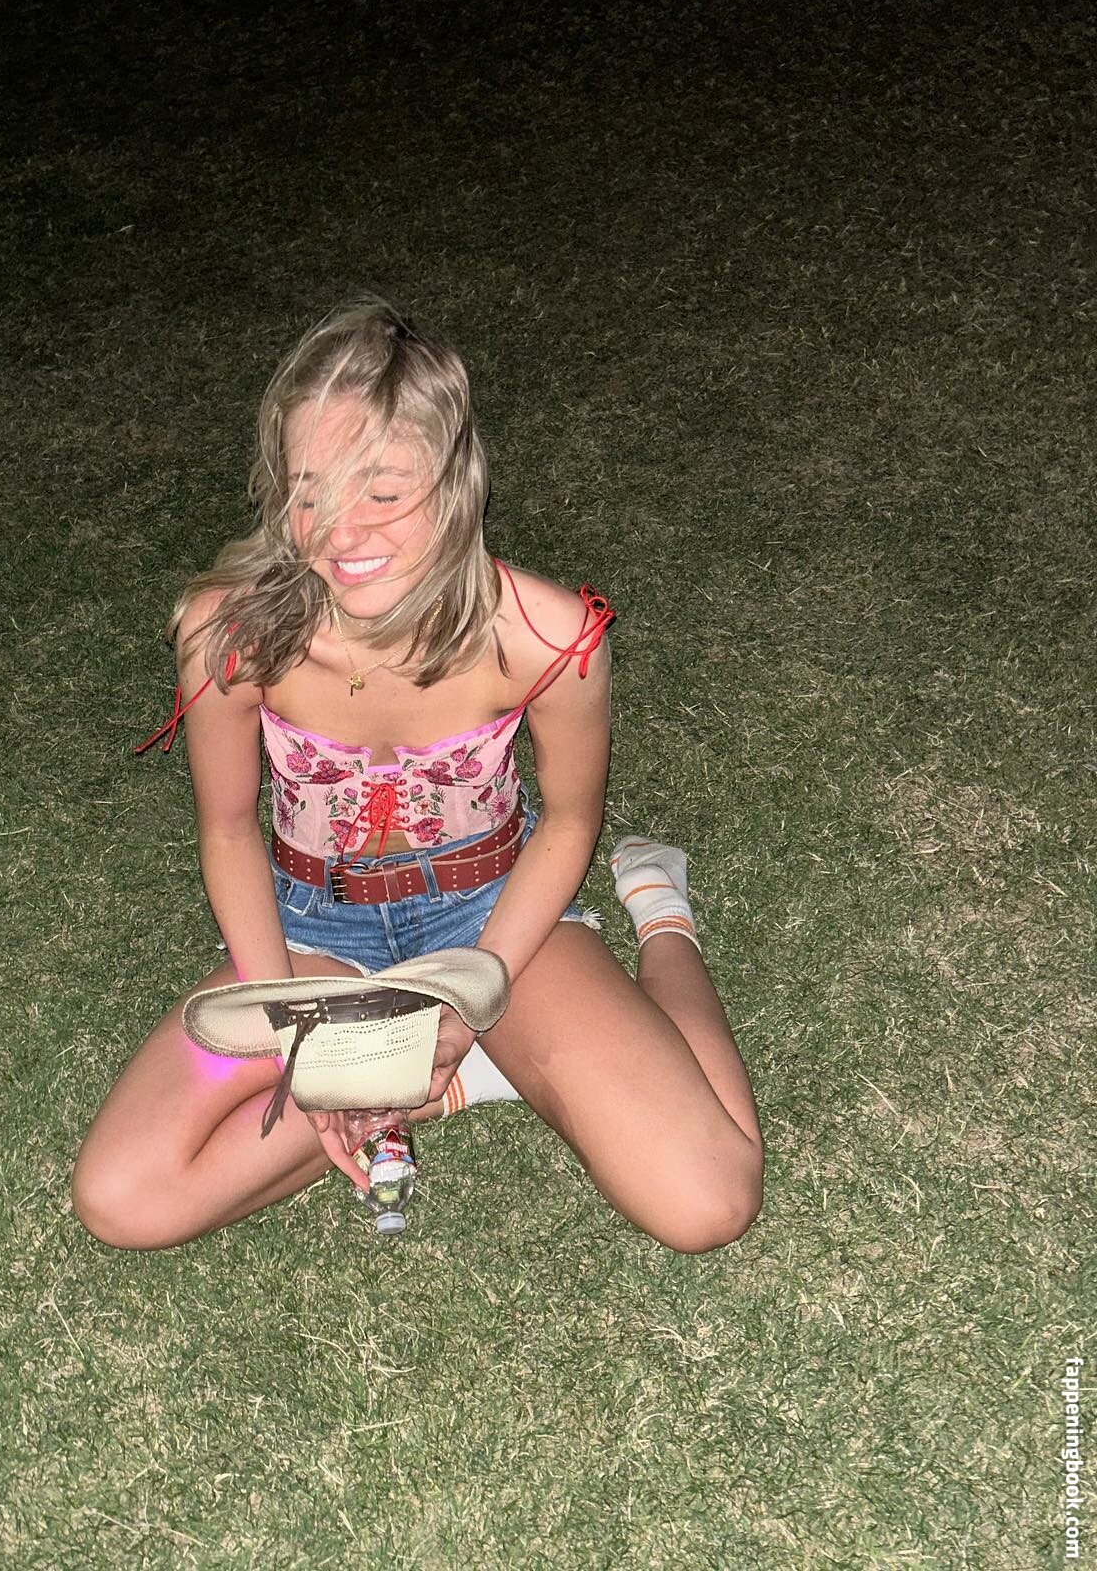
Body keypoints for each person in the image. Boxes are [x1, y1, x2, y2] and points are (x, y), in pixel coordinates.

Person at [71, 296, 762, 1252]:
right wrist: (294, 1034)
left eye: (383, 492)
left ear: (457, 479)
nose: (340, 532)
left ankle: (661, 919)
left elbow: (568, 823)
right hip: (314, 933)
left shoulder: (549, 635)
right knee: (124, 1199)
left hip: (493, 917)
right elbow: (228, 829)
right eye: (309, 492)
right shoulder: (230, 631)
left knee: (706, 1201)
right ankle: (443, 1079)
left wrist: (475, 997)